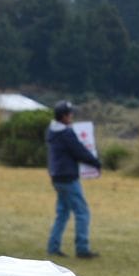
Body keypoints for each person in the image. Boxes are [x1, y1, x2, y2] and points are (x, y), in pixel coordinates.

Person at [46, 100, 101, 259]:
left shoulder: (52, 131)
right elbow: (79, 152)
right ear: (63, 116)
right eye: (70, 114)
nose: (72, 116)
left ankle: (53, 246)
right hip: (68, 177)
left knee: (62, 212)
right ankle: (82, 248)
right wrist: (95, 162)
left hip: (57, 177)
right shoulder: (66, 133)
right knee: (82, 212)